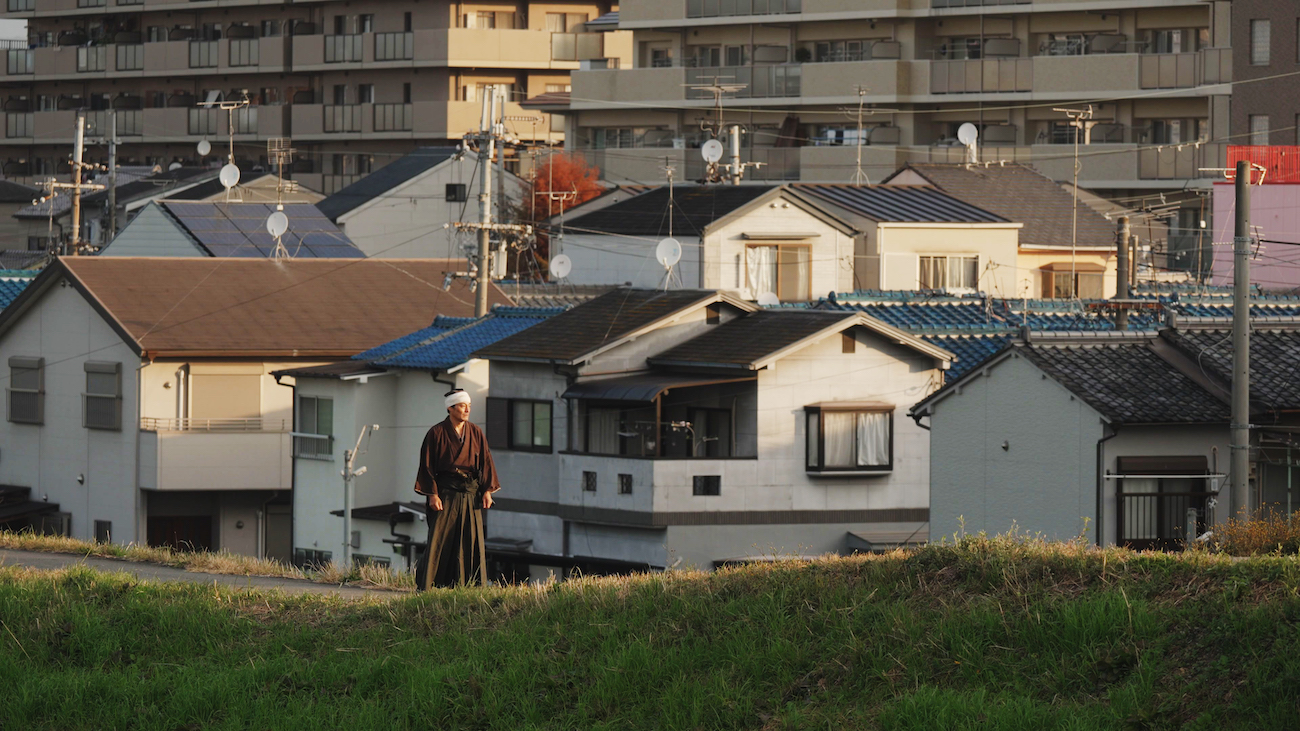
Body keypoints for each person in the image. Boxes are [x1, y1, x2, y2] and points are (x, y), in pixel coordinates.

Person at [412, 389, 501, 590]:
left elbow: (486, 462)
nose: (467, 409)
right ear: (450, 408)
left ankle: (467, 585)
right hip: (446, 492)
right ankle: (427, 584)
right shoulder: (436, 433)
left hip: (471, 492)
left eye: (468, 406)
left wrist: (487, 490)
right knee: (439, 537)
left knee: (471, 539)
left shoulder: (476, 432)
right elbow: (427, 466)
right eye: (462, 406)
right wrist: (433, 495)